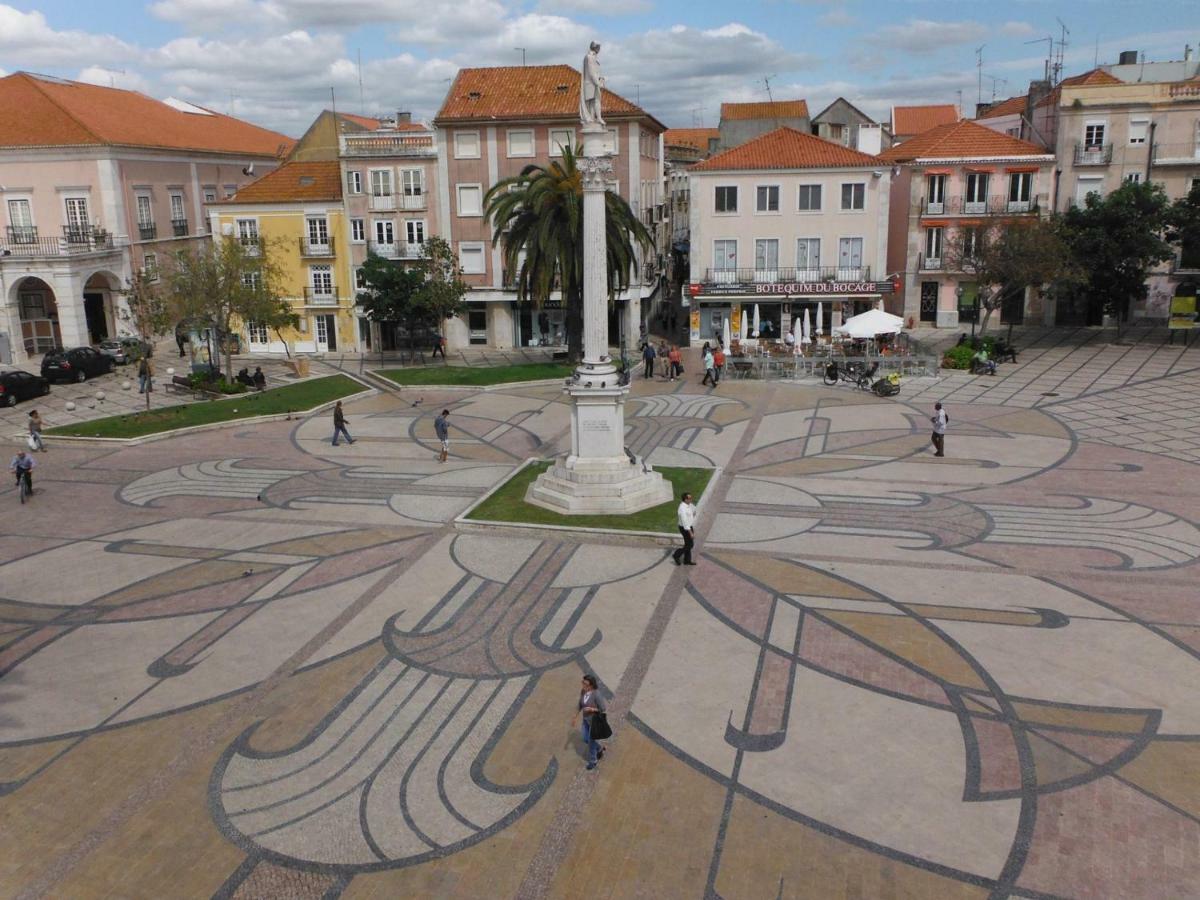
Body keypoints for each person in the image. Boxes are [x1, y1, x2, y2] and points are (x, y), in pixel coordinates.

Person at [572, 674, 607, 770]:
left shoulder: (596, 694)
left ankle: (593, 760)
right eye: (582, 682)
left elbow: (603, 709)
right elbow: (580, 704)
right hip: (585, 720)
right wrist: (575, 716)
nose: (582, 684)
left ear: (591, 685)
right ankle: (599, 748)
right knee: (585, 738)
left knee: (591, 743)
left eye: (585, 683)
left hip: (594, 722)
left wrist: (592, 709)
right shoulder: (583, 691)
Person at [672, 492, 697, 566]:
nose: (691, 499)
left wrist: (693, 513)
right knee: (690, 545)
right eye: (689, 498)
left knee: (688, 544)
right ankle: (676, 555)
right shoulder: (682, 508)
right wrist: (690, 533)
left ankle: (687, 560)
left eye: (691, 498)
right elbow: (685, 522)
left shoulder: (689, 505)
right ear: (685, 499)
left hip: (689, 526)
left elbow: (694, 510)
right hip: (685, 528)